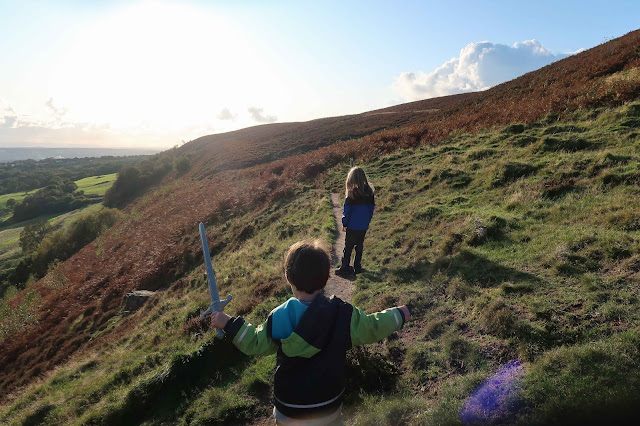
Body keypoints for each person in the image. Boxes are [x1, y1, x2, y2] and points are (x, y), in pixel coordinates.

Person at [210, 240, 410, 425]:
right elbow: (372, 327)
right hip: (328, 406)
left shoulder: (280, 316)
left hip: (289, 409)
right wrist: (398, 315)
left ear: (289, 278)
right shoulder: (343, 314)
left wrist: (227, 323)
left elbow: (254, 342)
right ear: (326, 278)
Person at [335, 167, 375, 276]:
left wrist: (345, 223)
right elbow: (371, 209)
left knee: (348, 247)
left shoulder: (351, 194)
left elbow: (347, 211)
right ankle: (357, 267)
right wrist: (367, 221)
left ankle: (345, 267)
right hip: (363, 225)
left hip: (352, 226)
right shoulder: (370, 193)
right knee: (359, 246)